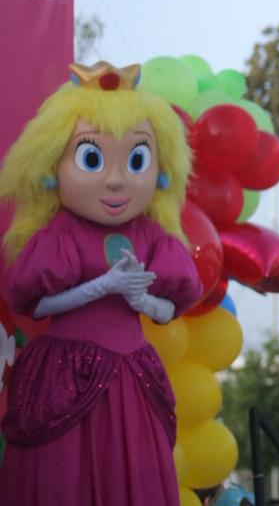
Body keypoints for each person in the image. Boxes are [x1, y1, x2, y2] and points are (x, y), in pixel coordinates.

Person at [0, 61, 202, 505]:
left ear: (161, 169)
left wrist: (141, 299)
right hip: (63, 374)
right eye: (92, 159)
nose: (115, 179)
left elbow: (170, 310)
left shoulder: (153, 236)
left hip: (131, 377)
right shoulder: (60, 233)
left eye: (136, 160)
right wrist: (102, 286)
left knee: (130, 472)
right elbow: (36, 305)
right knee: (63, 475)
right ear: (52, 165)